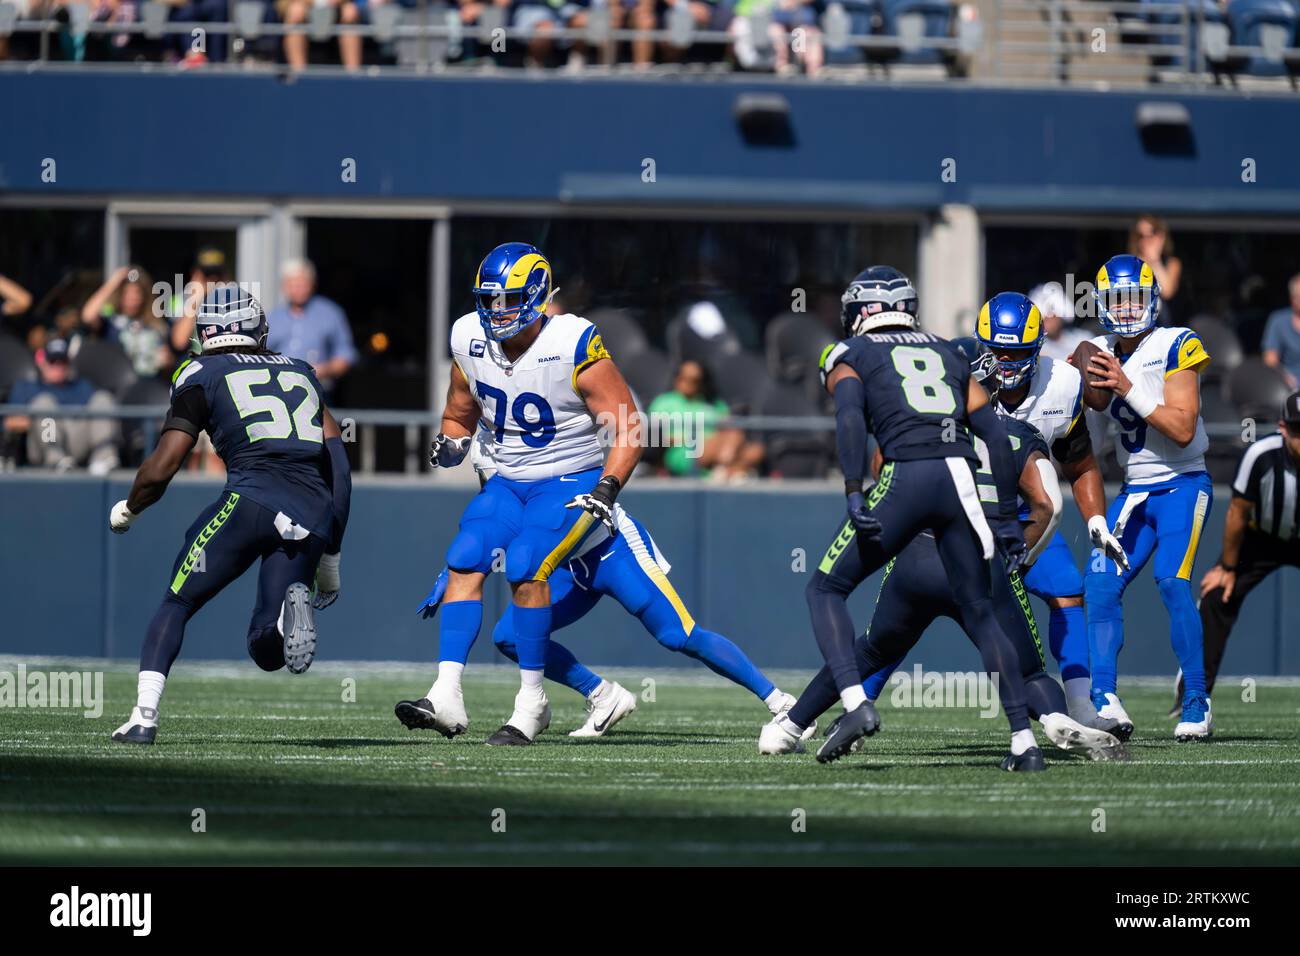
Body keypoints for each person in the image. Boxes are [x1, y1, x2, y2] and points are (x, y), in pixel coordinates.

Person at [761, 339, 1126, 763]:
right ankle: (1051, 719)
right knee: (1024, 669)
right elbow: (1049, 503)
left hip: (918, 557)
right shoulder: (1014, 433)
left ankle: (788, 726)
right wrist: (1017, 551)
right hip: (977, 557)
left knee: (872, 649)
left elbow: (886, 480)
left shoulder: (914, 430)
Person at [400, 432, 812, 738]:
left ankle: (783, 704)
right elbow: (500, 526)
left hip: (609, 546)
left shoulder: (545, 429)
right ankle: (601, 695)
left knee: (678, 634)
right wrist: (452, 576)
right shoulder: (496, 453)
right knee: (509, 636)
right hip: (566, 563)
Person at [402, 241, 642, 746]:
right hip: (509, 481)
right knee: (464, 555)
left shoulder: (573, 341)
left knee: (526, 562)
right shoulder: (469, 337)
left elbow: (628, 427)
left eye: (508, 300)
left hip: (569, 476)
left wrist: (608, 485)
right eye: (488, 300)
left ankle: (531, 704)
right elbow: (459, 412)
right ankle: (446, 695)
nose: (495, 311)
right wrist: (451, 443)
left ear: (535, 298)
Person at [799, 265, 1037, 770]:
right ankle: (1024, 743)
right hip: (960, 478)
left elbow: (848, 416)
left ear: (859, 312)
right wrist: (1007, 519)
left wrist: (852, 489)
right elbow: (994, 434)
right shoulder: (949, 348)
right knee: (981, 611)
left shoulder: (851, 352)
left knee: (824, 588)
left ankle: (855, 705)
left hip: (907, 474)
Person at [106, 286, 351, 746]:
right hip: (310, 510)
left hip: (250, 500)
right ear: (257, 328)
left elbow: (164, 465)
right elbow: (339, 469)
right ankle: (281, 624)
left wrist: (130, 507)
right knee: (266, 649)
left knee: (178, 601)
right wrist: (331, 558)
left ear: (207, 333)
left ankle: (143, 717)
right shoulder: (299, 371)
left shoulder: (200, 372)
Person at [974, 291, 1129, 725]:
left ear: (1036, 349)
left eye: (1016, 352)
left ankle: (1081, 707)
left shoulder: (1059, 385)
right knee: (902, 617)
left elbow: (1079, 464)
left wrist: (1096, 519)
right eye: (997, 351)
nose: (1005, 361)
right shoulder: (960, 380)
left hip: (1030, 516)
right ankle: (852, 700)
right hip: (965, 518)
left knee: (1066, 587)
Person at [1082, 254, 1213, 741]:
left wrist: (1125, 385)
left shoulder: (1177, 342)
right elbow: (1088, 432)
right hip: (1134, 489)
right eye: (1117, 298)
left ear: (1153, 298)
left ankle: (1197, 702)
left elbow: (1181, 428)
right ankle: (1105, 700)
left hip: (1183, 482)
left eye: (1135, 295)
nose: (1127, 306)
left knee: (1172, 582)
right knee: (1098, 581)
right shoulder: (1096, 348)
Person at [1178, 392, 1300, 717]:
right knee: (1218, 594)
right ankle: (1195, 694)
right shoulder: (1261, 454)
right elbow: (1236, 512)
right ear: (1283, 428)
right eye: (1299, 431)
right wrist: (1228, 566)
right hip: (1260, 538)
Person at [3, 337, 120, 474]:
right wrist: (35, 419)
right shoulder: (26, 387)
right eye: (53, 361)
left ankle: (103, 459)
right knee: (43, 403)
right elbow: (9, 423)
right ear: (43, 363)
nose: (58, 366)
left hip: (78, 439)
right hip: (45, 443)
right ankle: (56, 460)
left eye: (62, 362)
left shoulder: (82, 386)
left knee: (103, 398)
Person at [648, 359, 763, 479]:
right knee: (723, 442)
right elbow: (656, 438)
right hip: (683, 452)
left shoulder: (714, 404)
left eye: (695, 380)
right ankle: (730, 471)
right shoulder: (663, 402)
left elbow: (730, 428)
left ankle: (724, 472)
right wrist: (691, 439)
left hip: (722, 448)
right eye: (684, 378)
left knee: (756, 450)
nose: (688, 383)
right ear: (677, 379)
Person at [266, 259, 357, 400]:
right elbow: (259, 354)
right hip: (279, 392)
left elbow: (346, 355)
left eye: (302, 284)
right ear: (284, 286)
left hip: (319, 392)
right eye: (292, 284)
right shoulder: (273, 316)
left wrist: (325, 369)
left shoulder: (331, 313)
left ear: (312, 284)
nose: (297, 289)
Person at [81, 265, 174, 380]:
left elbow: (167, 360)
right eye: (127, 293)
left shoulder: (156, 326)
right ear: (120, 295)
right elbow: (88, 316)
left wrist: (167, 361)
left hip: (149, 387)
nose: (132, 298)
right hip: (117, 387)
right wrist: (113, 282)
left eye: (137, 293)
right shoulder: (111, 323)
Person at [1128, 214, 1182, 322]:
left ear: (1161, 236)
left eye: (1152, 232)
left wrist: (1154, 261)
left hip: (1166, 328)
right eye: (1141, 235)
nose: (1147, 239)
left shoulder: (1172, 263)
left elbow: (1167, 291)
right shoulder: (1131, 265)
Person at [1029, 281, 1089, 363]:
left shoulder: (1083, 338)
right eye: (1042, 317)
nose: (1047, 319)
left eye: (1051, 314)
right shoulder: (1035, 349)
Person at [1261, 273, 1300, 390]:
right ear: (1293, 300)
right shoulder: (1278, 321)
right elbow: (1270, 360)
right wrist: (1285, 378)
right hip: (1291, 387)